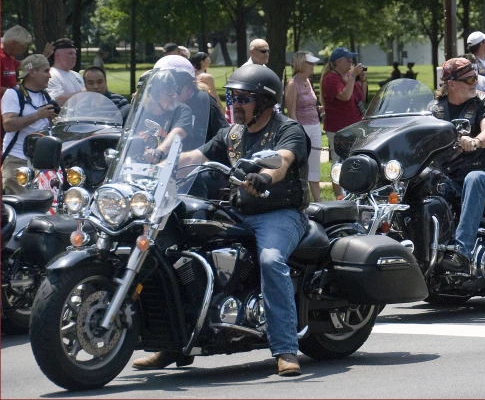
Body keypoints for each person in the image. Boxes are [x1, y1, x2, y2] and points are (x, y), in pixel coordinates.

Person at [133, 65, 310, 375]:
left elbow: (283, 160)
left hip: (280, 214)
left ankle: (285, 349)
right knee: (180, 250)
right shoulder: (232, 133)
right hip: (238, 210)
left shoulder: (288, 129)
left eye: (244, 98)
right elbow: (198, 156)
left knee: (270, 260)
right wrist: (163, 159)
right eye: (232, 97)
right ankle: (173, 343)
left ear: (265, 102)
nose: (236, 105)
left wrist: (265, 177)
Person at [427, 57, 485, 278]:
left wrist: (475, 141)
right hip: (448, 175)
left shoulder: (484, 102)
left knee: (474, 179)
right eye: (468, 78)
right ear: (451, 84)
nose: (474, 82)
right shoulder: (433, 109)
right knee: (421, 179)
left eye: (475, 77)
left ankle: (462, 252)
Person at [1, 54, 58, 194]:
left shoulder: (45, 95)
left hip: (42, 162)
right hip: (18, 161)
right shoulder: (13, 94)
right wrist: (38, 115)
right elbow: (8, 124)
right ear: (32, 72)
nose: (49, 76)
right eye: (46, 71)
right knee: (22, 208)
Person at [321, 47, 366, 197]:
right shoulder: (331, 79)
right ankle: (340, 196)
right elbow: (345, 96)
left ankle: (351, 192)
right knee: (339, 163)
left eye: (351, 60)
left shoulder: (347, 76)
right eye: (347, 60)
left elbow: (361, 98)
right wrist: (353, 75)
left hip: (353, 126)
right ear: (337, 62)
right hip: (338, 129)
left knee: (352, 161)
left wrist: (363, 80)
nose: (351, 63)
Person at [133, 66, 195, 164]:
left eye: (175, 89)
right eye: (169, 92)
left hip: (169, 169)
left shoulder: (181, 110)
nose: (175, 95)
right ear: (153, 95)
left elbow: (177, 134)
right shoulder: (136, 113)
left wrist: (158, 152)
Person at [285, 51, 324, 203]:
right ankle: (303, 200)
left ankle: (318, 202)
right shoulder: (292, 84)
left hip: (315, 127)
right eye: (310, 63)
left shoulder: (308, 81)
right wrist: (299, 133)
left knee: (314, 166)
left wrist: (317, 109)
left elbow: (308, 104)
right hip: (303, 129)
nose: (313, 65)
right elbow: (292, 113)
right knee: (302, 167)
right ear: (301, 64)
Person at [1, 26, 53, 96]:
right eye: (23, 47)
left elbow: (23, 66)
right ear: (14, 44)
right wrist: (16, 91)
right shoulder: (2, 57)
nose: (23, 51)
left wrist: (42, 57)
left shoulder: (9, 57)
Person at [46, 38, 85, 106]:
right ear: (58, 55)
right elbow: (57, 101)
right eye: (70, 54)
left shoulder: (77, 75)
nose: (74, 57)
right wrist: (83, 93)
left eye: (75, 54)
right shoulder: (51, 75)